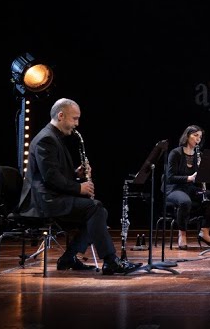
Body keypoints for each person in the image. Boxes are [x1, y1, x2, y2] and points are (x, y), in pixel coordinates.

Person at [19, 98, 130, 275]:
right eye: (74, 119)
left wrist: (76, 174)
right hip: (45, 201)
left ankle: (69, 258)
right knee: (95, 209)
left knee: (98, 212)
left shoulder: (54, 137)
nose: (76, 124)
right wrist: (79, 188)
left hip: (53, 197)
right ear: (61, 116)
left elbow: (55, 173)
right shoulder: (46, 139)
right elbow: (50, 177)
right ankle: (110, 260)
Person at [164, 125, 210, 248]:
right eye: (195, 135)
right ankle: (182, 234)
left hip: (189, 188)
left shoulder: (198, 155)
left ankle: (204, 232)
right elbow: (170, 177)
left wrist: (203, 172)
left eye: (200, 136)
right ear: (187, 136)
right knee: (185, 202)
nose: (198, 139)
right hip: (174, 189)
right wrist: (188, 178)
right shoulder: (175, 153)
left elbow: (199, 178)